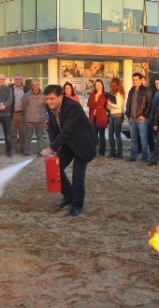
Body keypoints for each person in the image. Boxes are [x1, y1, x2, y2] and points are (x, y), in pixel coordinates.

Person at [41, 84, 96, 217]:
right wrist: (53, 147)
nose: (49, 101)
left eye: (52, 98)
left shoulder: (72, 107)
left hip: (83, 143)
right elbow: (53, 128)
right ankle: (68, 196)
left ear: (60, 97)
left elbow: (66, 131)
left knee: (77, 176)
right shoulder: (50, 106)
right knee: (56, 168)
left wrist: (51, 148)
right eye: (47, 99)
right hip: (68, 143)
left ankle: (77, 205)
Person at [125, 73, 152, 162]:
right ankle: (133, 156)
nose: (134, 81)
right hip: (132, 118)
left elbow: (149, 105)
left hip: (141, 119)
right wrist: (128, 115)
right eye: (133, 80)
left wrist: (143, 115)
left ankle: (145, 157)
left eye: (136, 80)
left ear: (141, 80)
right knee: (133, 139)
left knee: (143, 139)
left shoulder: (146, 90)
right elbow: (128, 103)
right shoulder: (131, 90)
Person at [23, 79, 46, 156]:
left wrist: (42, 115)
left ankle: (40, 152)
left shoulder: (44, 95)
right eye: (33, 85)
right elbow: (24, 106)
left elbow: (46, 106)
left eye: (37, 85)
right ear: (31, 86)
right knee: (28, 137)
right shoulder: (27, 95)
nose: (35, 86)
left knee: (39, 137)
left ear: (39, 85)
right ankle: (26, 151)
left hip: (40, 120)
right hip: (29, 120)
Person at [87, 79, 109, 156]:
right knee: (93, 135)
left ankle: (102, 152)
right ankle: (93, 151)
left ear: (102, 85)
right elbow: (89, 104)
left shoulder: (105, 95)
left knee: (102, 135)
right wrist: (99, 106)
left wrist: (99, 106)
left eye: (99, 85)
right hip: (93, 116)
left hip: (101, 116)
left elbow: (106, 105)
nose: (98, 87)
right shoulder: (92, 95)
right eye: (96, 85)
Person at [9, 73, 29, 155]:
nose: (18, 80)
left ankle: (23, 149)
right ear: (14, 80)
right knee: (12, 133)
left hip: (22, 114)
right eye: (16, 79)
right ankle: (14, 149)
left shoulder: (26, 89)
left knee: (22, 133)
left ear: (22, 80)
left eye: (19, 79)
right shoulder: (9, 88)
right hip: (12, 113)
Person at [107, 78, 126, 159]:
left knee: (117, 135)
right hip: (112, 115)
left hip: (118, 115)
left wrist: (110, 104)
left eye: (114, 84)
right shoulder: (112, 93)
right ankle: (112, 152)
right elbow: (111, 106)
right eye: (112, 84)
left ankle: (120, 153)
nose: (112, 85)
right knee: (110, 134)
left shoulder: (119, 93)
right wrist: (108, 105)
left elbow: (119, 106)